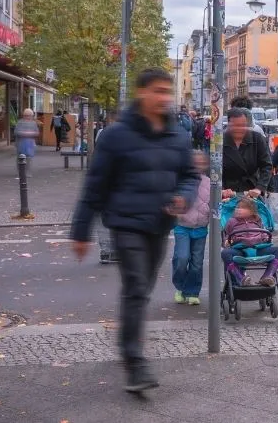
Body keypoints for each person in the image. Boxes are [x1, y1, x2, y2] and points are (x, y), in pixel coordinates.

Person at [69, 68, 198, 394]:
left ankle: (129, 343)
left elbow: (190, 176)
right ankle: (134, 361)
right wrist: (81, 229)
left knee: (143, 287)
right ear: (141, 93)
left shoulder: (178, 136)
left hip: (159, 224)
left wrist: (184, 195)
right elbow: (95, 185)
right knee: (137, 286)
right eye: (158, 91)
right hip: (125, 223)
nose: (165, 98)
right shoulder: (116, 136)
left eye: (168, 92)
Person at [172, 150, 211, 306]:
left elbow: (214, 203)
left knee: (196, 262)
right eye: (195, 162)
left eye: (201, 162)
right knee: (181, 258)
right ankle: (180, 287)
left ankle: (193, 291)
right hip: (182, 226)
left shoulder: (209, 182)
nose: (197, 165)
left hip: (201, 227)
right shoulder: (180, 180)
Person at [221, 198, 278, 287]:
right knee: (225, 253)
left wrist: (265, 238)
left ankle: (268, 276)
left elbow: (263, 232)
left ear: (251, 211)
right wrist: (227, 241)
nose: (238, 210)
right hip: (240, 249)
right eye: (237, 208)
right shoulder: (231, 221)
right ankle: (240, 277)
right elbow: (228, 234)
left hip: (258, 248)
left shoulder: (257, 220)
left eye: (242, 208)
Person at [221, 107, 272, 200]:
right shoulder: (220, 141)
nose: (240, 129)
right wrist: (221, 189)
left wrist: (260, 187)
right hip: (227, 193)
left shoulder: (257, 139)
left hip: (251, 192)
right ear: (229, 125)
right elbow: (213, 168)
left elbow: (266, 166)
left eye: (243, 125)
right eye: (236, 125)